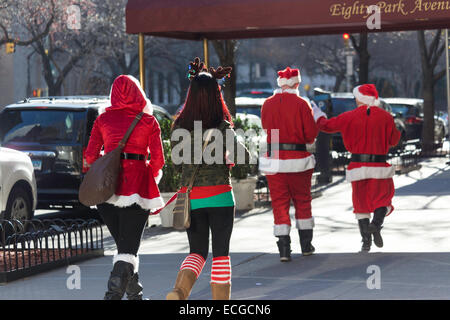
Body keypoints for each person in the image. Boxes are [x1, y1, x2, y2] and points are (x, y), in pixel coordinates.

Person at [166, 58, 250, 300]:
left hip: (193, 200)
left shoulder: (179, 125)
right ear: (216, 96)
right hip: (221, 196)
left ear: (190, 95)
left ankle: (179, 291)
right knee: (221, 254)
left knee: (197, 252)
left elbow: (178, 163)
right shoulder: (223, 126)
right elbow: (243, 157)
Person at [85, 75, 165, 300]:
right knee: (128, 248)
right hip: (138, 189)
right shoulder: (149, 121)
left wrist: (108, 159)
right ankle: (112, 296)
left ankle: (136, 295)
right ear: (139, 93)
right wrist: (149, 170)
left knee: (124, 246)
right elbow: (158, 160)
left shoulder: (103, 120)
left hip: (106, 190)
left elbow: (90, 156)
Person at [312, 84, 401, 252]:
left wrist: (318, 115)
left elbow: (326, 126)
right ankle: (376, 224)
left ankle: (365, 241)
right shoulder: (386, 117)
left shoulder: (349, 116)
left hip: (357, 166)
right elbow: (394, 140)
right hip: (379, 165)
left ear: (359, 98)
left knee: (360, 204)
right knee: (383, 198)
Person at [259, 67, 318, 262]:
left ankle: (284, 248)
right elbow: (310, 135)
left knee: (279, 202)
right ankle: (306, 245)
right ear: (297, 83)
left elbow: (267, 128)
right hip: (298, 158)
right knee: (303, 200)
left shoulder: (267, 104)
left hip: (275, 157)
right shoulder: (302, 104)